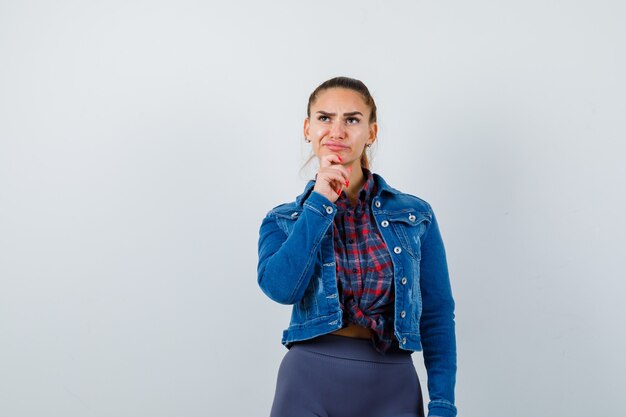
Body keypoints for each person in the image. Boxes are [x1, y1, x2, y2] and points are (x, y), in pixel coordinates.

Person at [257, 76, 457, 417]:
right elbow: (281, 288)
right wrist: (319, 202)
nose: (336, 131)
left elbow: (437, 315)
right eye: (324, 118)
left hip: (393, 384)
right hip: (307, 382)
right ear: (308, 128)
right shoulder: (283, 219)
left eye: (351, 119)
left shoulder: (414, 216)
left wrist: (442, 403)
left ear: (371, 132)